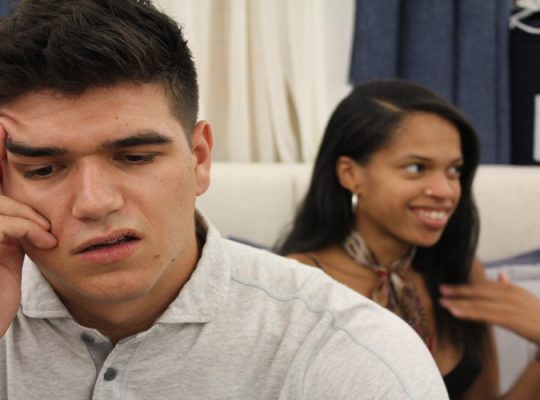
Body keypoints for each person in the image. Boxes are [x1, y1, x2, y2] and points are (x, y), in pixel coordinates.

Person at [0, 1, 448, 399]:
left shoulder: (349, 354)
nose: (94, 203)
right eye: (43, 169)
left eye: (135, 158)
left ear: (199, 159)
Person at [279, 79, 540, 399]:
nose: (445, 191)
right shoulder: (299, 284)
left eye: (454, 170)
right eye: (417, 168)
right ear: (350, 174)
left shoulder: (461, 273)